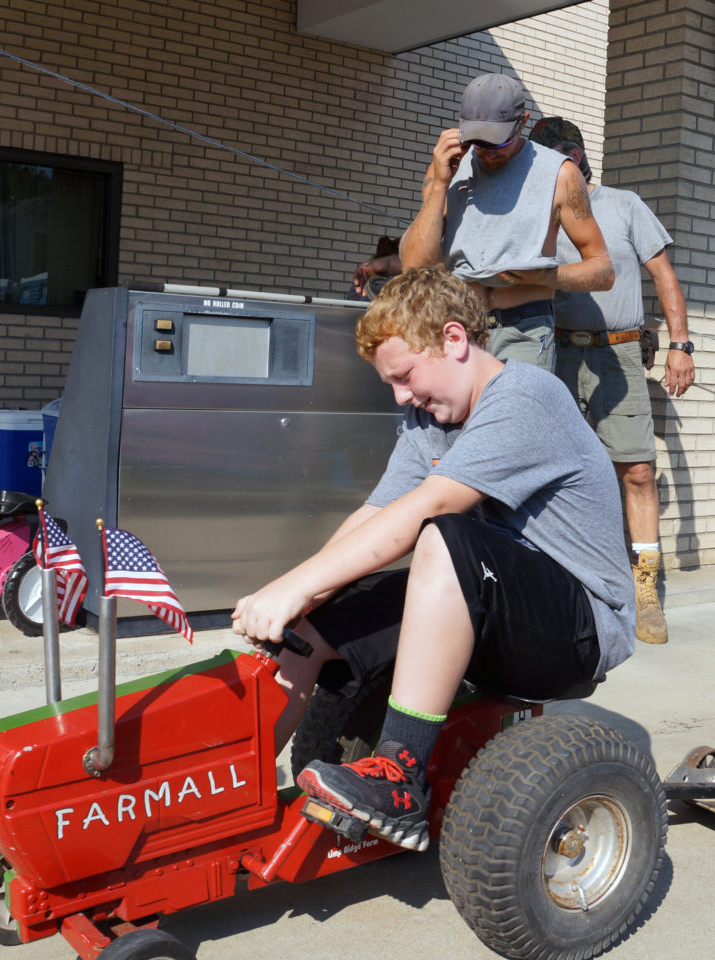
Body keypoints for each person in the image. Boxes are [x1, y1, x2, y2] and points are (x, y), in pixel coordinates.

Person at [232, 265, 634, 852]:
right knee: (316, 622)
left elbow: (434, 505)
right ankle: (233, 791)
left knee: (442, 535)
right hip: (491, 606)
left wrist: (297, 585)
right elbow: (375, 514)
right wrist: (298, 594)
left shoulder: (527, 398)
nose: (402, 396)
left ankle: (400, 777)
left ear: (453, 339)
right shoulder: (428, 419)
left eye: (406, 376)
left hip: (578, 630)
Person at [528, 117, 696, 645]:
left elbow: (663, 275)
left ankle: (644, 592)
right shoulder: (535, 212)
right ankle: (563, 582)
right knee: (550, 474)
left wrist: (680, 345)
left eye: (557, 155)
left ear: (576, 155)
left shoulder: (625, 205)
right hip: (551, 354)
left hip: (618, 356)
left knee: (639, 473)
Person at [398, 72, 614, 372]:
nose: (485, 153)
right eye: (477, 142)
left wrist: (543, 276)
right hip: (457, 325)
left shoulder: (560, 174)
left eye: (496, 143)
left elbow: (603, 271)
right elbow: (414, 265)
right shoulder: (447, 167)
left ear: (522, 122)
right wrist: (439, 185)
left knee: (517, 418)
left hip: (524, 330)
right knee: (455, 420)